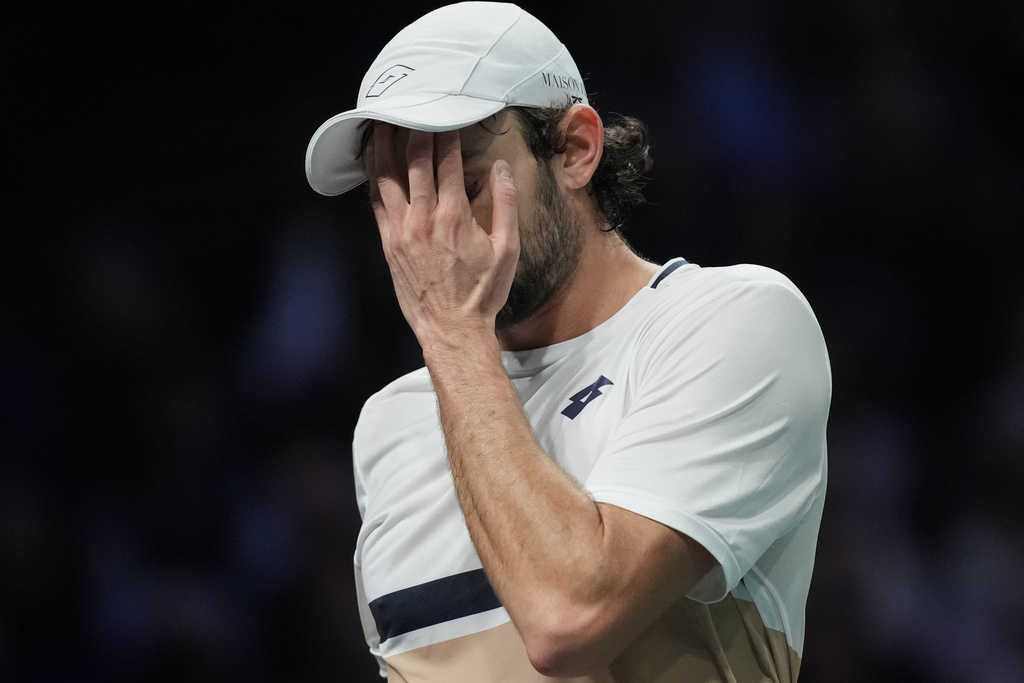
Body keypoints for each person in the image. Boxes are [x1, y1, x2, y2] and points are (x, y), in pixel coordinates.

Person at [305, 3, 831, 681]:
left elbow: (568, 618)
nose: (429, 235)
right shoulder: (389, 423)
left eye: (462, 184)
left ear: (577, 150)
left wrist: (454, 335)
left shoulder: (734, 323)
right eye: (396, 198)